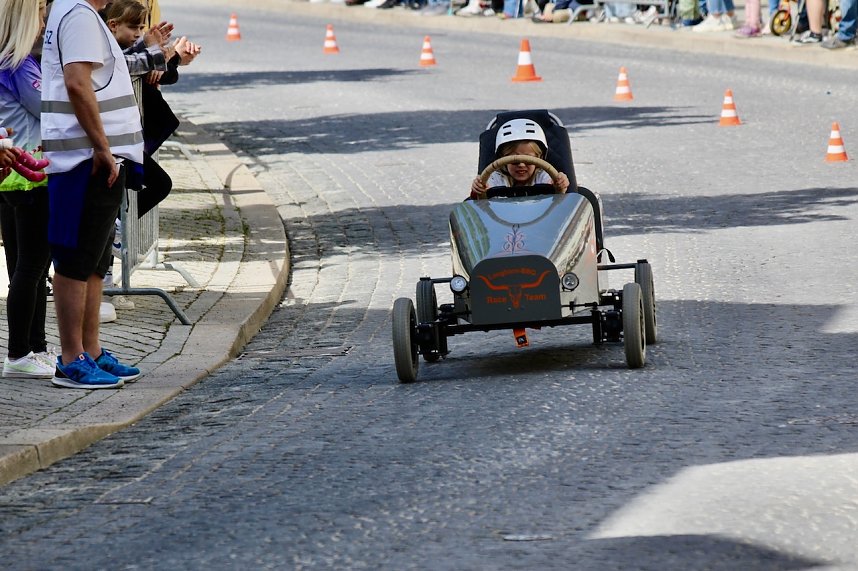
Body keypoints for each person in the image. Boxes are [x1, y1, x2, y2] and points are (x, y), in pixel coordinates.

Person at [41, 0, 144, 389]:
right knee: (75, 258)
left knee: (95, 260)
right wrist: (101, 147)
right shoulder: (80, 15)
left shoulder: (77, 13)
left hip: (97, 157)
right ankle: (72, 360)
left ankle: (91, 351)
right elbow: (77, 83)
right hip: (86, 158)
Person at [0, 0, 54, 379]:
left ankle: (34, 347)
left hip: (14, 174)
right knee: (32, 266)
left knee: (27, 266)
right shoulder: (18, 66)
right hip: (30, 173)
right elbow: (49, 107)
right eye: (38, 10)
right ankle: (20, 353)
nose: (44, 18)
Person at [470, 119, 570, 199]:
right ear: (502, 160)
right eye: (514, 161)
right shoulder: (495, 178)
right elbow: (479, 200)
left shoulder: (543, 176)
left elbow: (555, 186)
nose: (521, 165)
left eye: (528, 160)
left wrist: (560, 183)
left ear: (539, 159)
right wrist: (479, 188)